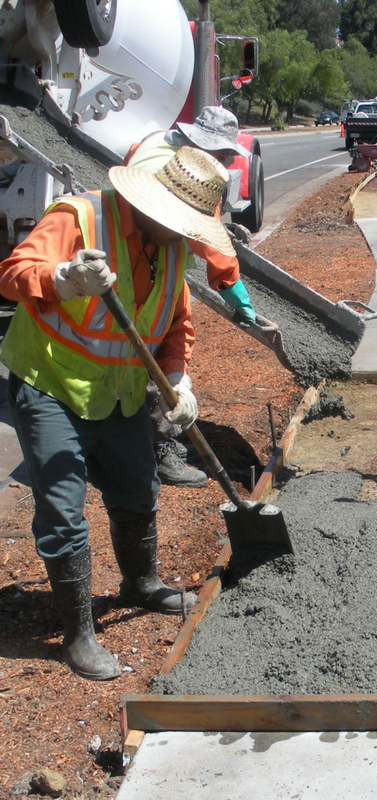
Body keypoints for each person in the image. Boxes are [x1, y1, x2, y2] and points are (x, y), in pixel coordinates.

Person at [0, 147, 233, 681]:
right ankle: (78, 632)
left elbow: (175, 323)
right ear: (150, 203)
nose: (182, 233)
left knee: (137, 488)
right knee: (62, 512)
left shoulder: (173, 250)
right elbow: (12, 273)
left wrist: (177, 378)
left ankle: (140, 583)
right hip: (54, 385)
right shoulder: (81, 217)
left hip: (120, 393)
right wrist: (62, 280)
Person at [125, 106, 268, 488]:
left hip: (144, 256)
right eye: (222, 156)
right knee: (155, 345)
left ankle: (130, 437)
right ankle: (160, 449)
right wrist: (234, 291)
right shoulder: (190, 174)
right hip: (141, 262)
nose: (223, 163)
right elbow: (209, 244)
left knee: (164, 337)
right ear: (205, 149)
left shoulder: (153, 144)